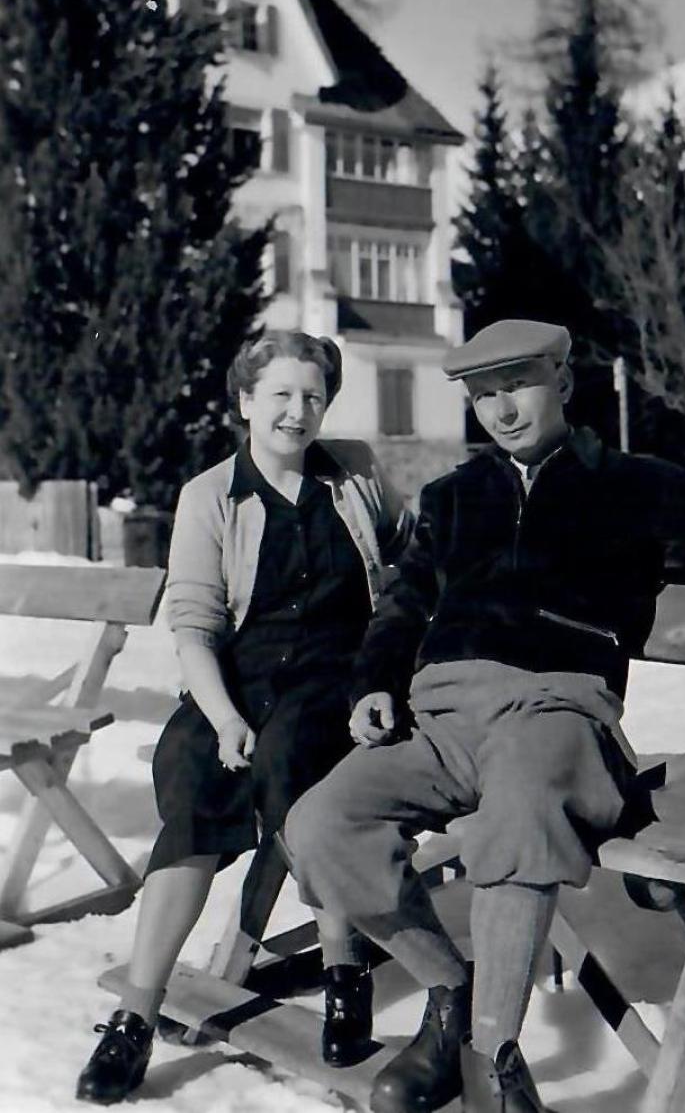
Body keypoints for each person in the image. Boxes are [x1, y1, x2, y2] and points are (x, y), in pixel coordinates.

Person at [285, 319, 685, 1113]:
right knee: (321, 822)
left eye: (517, 386)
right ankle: (451, 996)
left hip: (559, 703)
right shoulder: (453, 498)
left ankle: (491, 1057)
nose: (502, 409)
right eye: (484, 396)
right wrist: (374, 683)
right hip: (445, 712)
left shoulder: (636, 485)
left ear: (562, 380)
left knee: (522, 805)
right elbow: (403, 606)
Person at [77, 329, 413, 1104]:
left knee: (301, 766)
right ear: (245, 404)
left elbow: (412, 557)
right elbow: (193, 626)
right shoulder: (210, 495)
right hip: (237, 680)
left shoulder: (355, 472)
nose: (298, 412)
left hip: (338, 682)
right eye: (281, 397)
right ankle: (136, 1014)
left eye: (313, 396)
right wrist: (224, 715)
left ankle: (343, 976)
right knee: (195, 779)